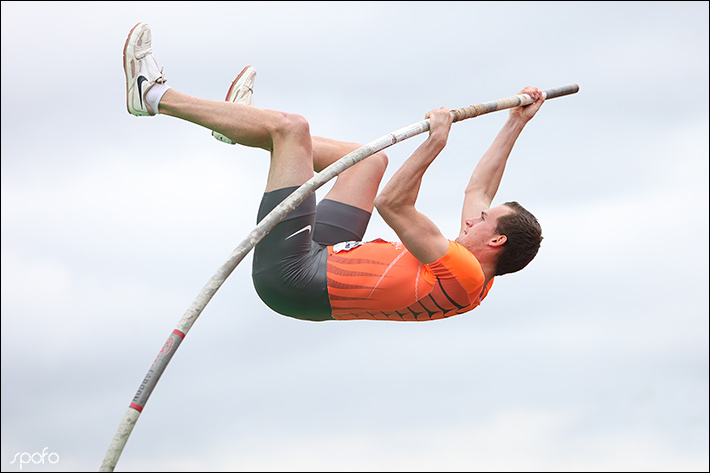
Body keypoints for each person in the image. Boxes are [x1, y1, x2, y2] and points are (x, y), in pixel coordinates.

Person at [123, 22, 544, 322]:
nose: (473, 215)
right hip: (329, 254)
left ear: (496, 239)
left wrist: (434, 143)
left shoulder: (464, 273)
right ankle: (241, 123)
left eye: (483, 219)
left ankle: (154, 94)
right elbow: (480, 187)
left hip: (296, 278)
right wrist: (516, 123)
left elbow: (392, 204)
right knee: (369, 159)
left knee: (292, 129)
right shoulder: (477, 273)